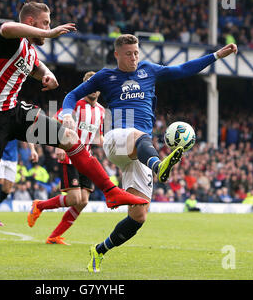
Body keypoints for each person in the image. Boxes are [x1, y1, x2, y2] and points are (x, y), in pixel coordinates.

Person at [0, 2, 148, 249]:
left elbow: (35, 66)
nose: (49, 27)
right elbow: (6, 27)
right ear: (31, 23)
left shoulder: (29, 51)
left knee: (69, 136)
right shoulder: (8, 39)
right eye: (45, 22)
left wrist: (47, 74)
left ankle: (110, 190)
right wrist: (48, 34)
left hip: (15, 112)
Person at [60, 34, 238, 272]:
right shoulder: (105, 76)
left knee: (138, 215)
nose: (134, 58)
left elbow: (183, 69)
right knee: (138, 136)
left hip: (139, 150)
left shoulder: (148, 70)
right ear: (117, 55)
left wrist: (216, 55)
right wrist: (66, 113)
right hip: (116, 139)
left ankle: (99, 250)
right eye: (128, 54)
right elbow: (71, 95)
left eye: (136, 53)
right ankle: (158, 167)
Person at [27, 71, 106, 245]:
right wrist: (59, 145)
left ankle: (54, 236)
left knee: (83, 201)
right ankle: (39, 206)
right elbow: (55, 121)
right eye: (89, 85)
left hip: (87, 157)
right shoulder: (74, 105)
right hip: (70, 155)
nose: (93, 90)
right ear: (85, 87)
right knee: (74, 199)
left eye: (96, 86)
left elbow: (98, 137)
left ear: (99, 90)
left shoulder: (101, 111)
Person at [0, 140, 38, 226]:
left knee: (6, 191)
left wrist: (32, 149)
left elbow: (26, 133)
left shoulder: (18, 126)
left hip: (12, 158)